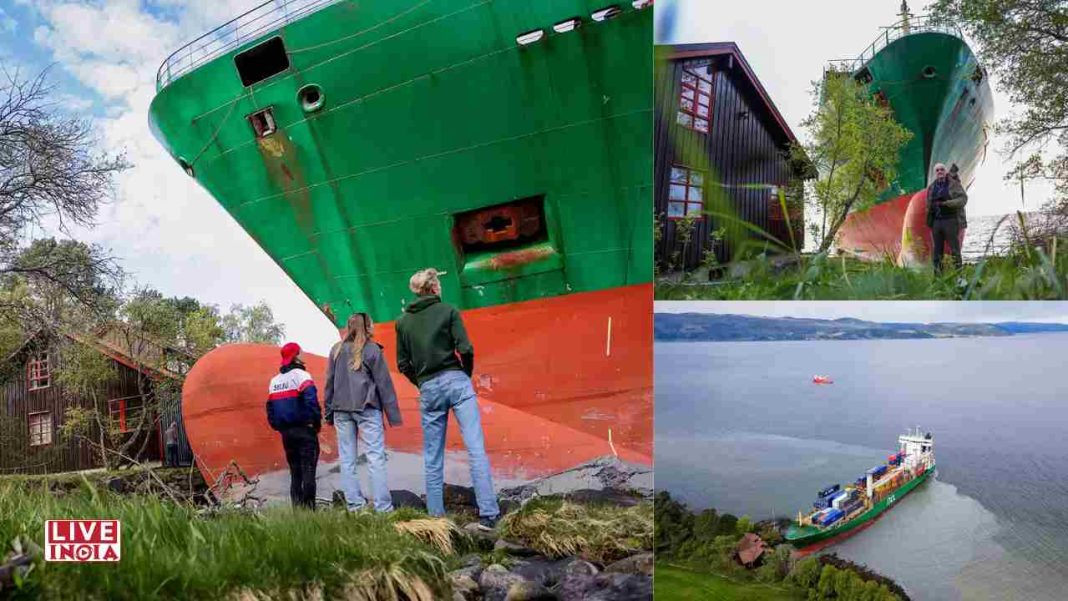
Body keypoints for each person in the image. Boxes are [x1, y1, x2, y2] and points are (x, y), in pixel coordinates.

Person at [396, 268, 500, 528]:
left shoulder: (402, 323)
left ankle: (436, 517)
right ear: (433, 288)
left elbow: (403, 364)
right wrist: (464, 374)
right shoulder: (449, 311)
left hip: (428, 387)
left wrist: (421, 382)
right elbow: (465, 348)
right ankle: (488, 514)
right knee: (475, 448)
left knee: (433, 456)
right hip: (456, 381)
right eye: (439, 285)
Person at [324, 312, 403, 513]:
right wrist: (393, 416)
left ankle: (355, 506)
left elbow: (329, 384)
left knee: (347, 459)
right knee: (375, 457)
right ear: (367, 327)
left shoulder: (336, 350)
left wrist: (328, 413)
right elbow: (384, 385)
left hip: (341, 410)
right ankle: (383, 508)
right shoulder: (372, 350)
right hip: (366, 409)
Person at [266, 342, 322, 509]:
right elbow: (311, 401)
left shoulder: (274, 381)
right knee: (308, 471)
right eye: (301, 352)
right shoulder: (302, 376)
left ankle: (298, 511)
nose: (303, 354)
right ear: (296, 356)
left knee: (295, 473)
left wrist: (278, 426)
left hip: (286, 434)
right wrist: (316, 423)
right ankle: (310, 511)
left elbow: (270, 407)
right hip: (305, 430)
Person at [926, 162, 968, 273]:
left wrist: (949, 203)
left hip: (950, 221)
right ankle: (938, 278)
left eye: (942, 169)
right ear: (935, 173)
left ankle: (959, 276)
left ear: (945, 172)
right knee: (937, 252)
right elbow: (928, 204)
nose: (940, 171)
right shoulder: (931, 187)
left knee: (955, 250)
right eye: (937, 170)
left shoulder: (953, 184)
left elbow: (963, 199)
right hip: (937, 223)